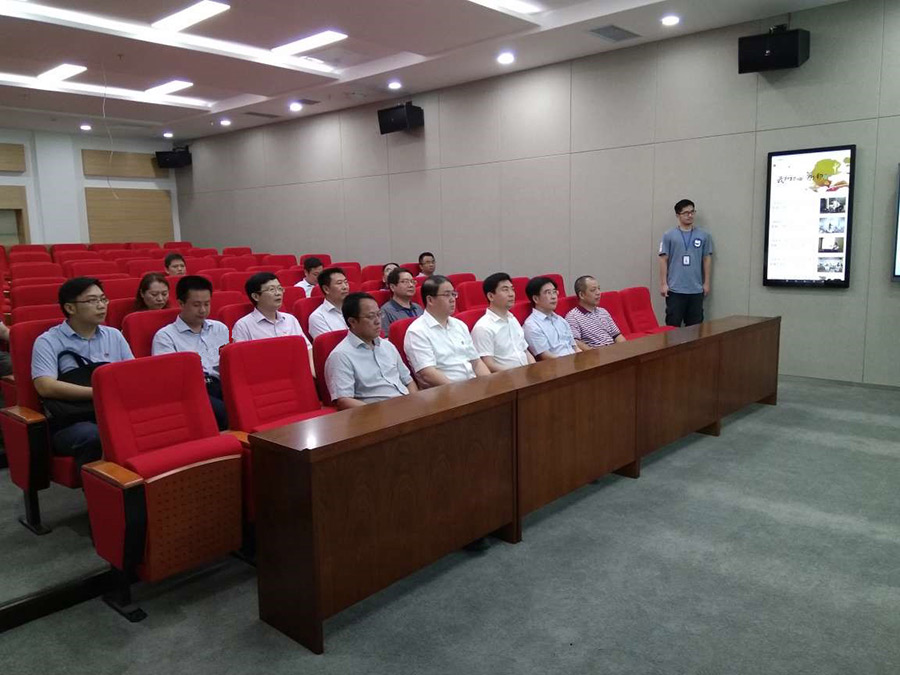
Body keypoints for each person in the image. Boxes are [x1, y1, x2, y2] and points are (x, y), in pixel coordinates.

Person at [31, 277, 134, 468]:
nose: (101, 306)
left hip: (112, 412)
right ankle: (99, 486)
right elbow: (45, 386)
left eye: (103, 299)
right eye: (92, 300)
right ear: (70, 308)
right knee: (95, 435)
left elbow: (131, 375)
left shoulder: (114, 335)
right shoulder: (48, 341)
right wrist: (98, 393)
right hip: (70, 421)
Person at [151, 275, 229, 430]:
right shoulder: (165, 336)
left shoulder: (220, 328)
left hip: (222, 383)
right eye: (196, 305)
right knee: (223, 412)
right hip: (193, 389)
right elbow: (170, 379)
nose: (203, 310)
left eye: (207, 304)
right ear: (181, 303)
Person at [324, 292, 418, 410]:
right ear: (352, 321)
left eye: (379, 314)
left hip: (407, 406)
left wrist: (414, 403)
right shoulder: (340, 356)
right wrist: (380, 412)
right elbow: (344, 400)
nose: (378, 321)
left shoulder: (387, 345)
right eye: (371, 316)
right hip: (377, 413)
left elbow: (409, 381)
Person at [404, 275, 489, 388]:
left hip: (471, 386)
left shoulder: (459, 325)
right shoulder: (417, 331)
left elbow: (476, 362)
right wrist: (461, 391)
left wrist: (490, 384)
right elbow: (428, 374)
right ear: (430, 300)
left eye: (453, 294)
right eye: (447, 295)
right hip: (444, 392)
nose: (452, 299)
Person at [232, 272, 314, 375]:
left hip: (296, 374)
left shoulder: (290, 319)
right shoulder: (243, 325)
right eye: (272, 289)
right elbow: (241, 361)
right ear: (256, 296)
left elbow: (307, 349)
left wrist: (312, 375)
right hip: (264, 376)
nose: (278, 293)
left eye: (280, 288)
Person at [658, 198, 713, 327]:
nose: (690, 215)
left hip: (696, 289)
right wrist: (663, 284)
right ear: (678, 215)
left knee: (695, 328)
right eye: (686, 213)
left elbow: (706, 259)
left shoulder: (704, 235)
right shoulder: (669, 235)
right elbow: (663, 259)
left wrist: (706, 283)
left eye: (692, 212)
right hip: (675, 289)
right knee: (672, 326)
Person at [470, 272, 534, 372]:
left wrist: (534, 369)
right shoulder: (483, 327)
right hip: (506, 377)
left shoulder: (512, 319)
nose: (511, 294)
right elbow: (488, 364)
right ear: (491, 296)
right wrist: (516, 374)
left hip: (526, 374)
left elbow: (525, 351)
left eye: (512, 289)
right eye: (505, 290)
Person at [522, 276, 579, 360]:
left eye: (554, 292)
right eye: (548, 293)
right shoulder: (531, 325)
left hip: (575, 361)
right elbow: (546, 356)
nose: (553, 297)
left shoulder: (561, 320)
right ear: (535, 299)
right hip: (557, 365)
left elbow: (575, 347)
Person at [565, 275, 625, 350]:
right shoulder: (572, 316)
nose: (598, 293)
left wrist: (625, 349)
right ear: (581, 295)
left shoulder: (603, 311)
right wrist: (593, 353)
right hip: (596, 354)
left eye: (599, 289)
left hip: (613, 350)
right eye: (593, 290)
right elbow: (576, 342)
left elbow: (617, 335)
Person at [307, 267, 350, 339]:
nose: (345, 287)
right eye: (339, 283)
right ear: (326, 289)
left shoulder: (356, 308)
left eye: (346, 282)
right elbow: (328, 344)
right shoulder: (318, 317)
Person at [380, 267, 423, 335]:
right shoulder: (385, 311)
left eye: (412, 281)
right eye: (405, 282)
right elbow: (386, 338)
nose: (411, 285)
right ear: (392, 287)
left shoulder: (418, 308)